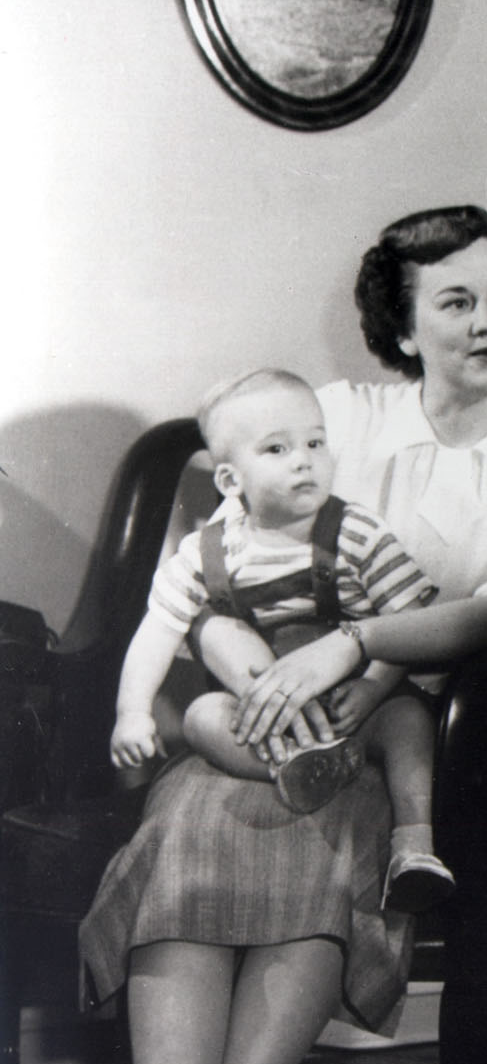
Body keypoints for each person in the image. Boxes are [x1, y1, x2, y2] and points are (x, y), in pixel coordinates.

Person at [79, 206, 487, 1064]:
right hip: (267, 721)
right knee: (185, 833)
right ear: (405, 329)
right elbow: (222, 545)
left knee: (321, 856)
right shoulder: (341, 418)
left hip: (412, 744)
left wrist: (359, 648)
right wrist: (239, 657)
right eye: (455, 301)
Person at [109, 367, 456, 913]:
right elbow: (159, 628)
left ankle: (414, 844)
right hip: (270, 717)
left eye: (315, 442)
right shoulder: (206, 553)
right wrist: (133, 712)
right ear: (229, 481)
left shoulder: (358, 533)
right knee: (202, 715)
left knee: (410, 722)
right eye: (277, 448)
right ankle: (295, 769)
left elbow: (408, 622)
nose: (305, 459)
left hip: (355, 702)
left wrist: (371, 689)